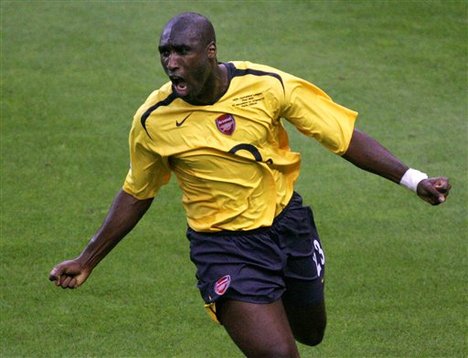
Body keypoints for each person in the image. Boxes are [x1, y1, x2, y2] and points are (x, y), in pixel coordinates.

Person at [49, 12, 451, 357]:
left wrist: (413, 180)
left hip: (286, 224)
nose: (171, 63)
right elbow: (138, 191)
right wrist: (87, 259)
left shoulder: (267, 86)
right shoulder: (154, 121)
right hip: (223, 246)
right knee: (278, 353)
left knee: (311, 332)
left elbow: (342, 137)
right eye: (164, 53)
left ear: (210, 51)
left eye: (182, 51)